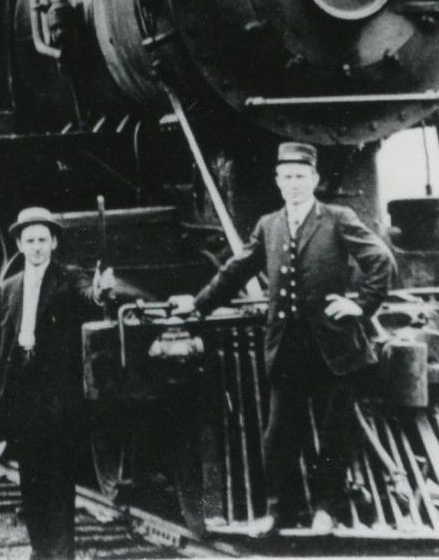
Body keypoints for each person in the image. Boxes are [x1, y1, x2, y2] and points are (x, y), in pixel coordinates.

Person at [168, 142, 395, 537]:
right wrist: (199, 304)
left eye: (300, 177)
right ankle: (281, 511)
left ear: (314, 179)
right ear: (277, 181)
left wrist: (361, 304)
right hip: (287, 347)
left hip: (333, 347)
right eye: (286, 177)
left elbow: (381, 260)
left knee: (333, 434)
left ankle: (327, 510)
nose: (293, 184)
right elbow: (236, 270)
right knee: (278, 434)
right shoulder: (268, 225)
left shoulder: (337, 218)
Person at [0, 207, 113, 560]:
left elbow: (89, 296)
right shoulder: (6, 290)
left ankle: (62, 555)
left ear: (54, 243)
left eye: (43, 240)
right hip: (21, 401)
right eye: (30, 241)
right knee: (31, 486)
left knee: (59, 486)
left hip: (58, 402)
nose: (37, 247)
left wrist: (100, 291)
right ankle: (40, 552)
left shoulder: (68, 278)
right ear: (19, 245)